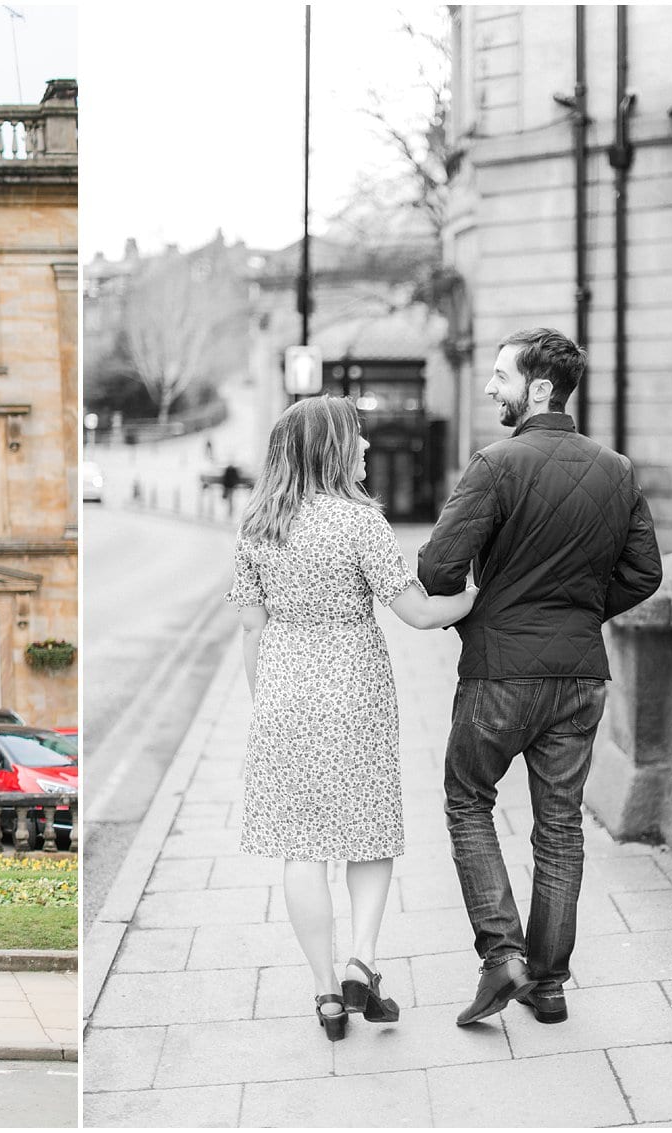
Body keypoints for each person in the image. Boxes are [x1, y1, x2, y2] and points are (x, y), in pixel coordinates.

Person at [418, 328, 661, 1028]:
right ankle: (547, 985)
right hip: (579, 674)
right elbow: (643, 572)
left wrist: (481, 610)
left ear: (540, 389)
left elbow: (436, 568)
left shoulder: (494, 465)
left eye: (500, 376)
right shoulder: (615, 468)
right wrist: (581, 613)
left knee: (467, 801)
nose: (490, 386)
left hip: (499, 672)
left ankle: (502, 957)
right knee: (559, 827)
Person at [226, 395, 477, 1043]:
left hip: (282, 692)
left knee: (302, 846)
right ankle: (359, 960)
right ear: (332, 447)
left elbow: (250, 629)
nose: (366, 447)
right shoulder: (358, 522)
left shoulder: (256, 524)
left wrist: (267, 701)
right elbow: (417, 613)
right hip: (353, 689)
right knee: (366, 830)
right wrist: (475, 595)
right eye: (357, 437)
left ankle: (324, 993)